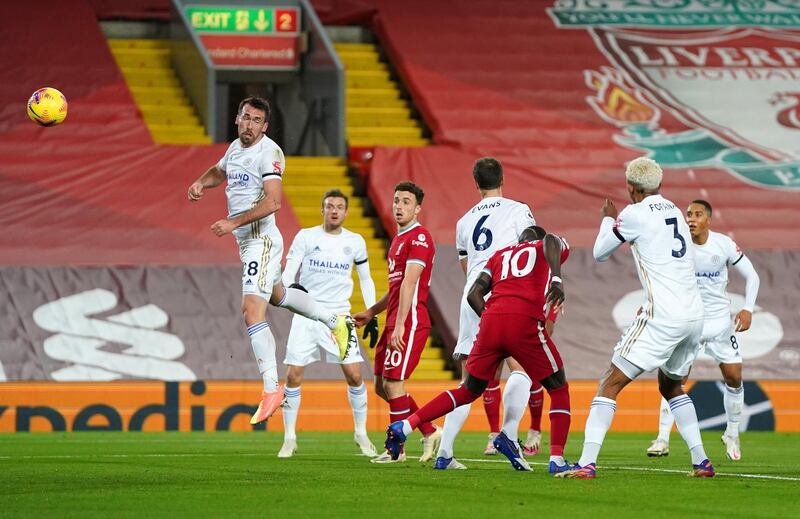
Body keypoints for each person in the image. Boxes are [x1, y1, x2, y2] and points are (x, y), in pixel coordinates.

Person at [187, 96, 354, 426]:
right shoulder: (235, 148)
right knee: (278, 296)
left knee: (251, 311)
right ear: (237, 119)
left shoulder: (270, 152)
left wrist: (233, 222)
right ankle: (334, 319)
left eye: (256, 121)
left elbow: (274, 201)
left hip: (260, 241)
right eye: (245, 118)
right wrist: (200, 183)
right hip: (247, 243)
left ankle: (270, 389)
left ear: (265, 126)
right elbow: (219, 171)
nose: (249, 125)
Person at [558, 157, 714, 479]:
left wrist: (607, 220)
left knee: (609, 383)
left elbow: (600, 253)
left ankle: (587, 463)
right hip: (694, 315)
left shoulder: (633, 213)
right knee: (671, 387)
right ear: (659, 185)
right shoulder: (673, 209)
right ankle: (701, 462)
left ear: (631, 188)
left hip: (664, 315)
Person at [383, 227, 573, 476]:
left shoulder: (499, 255)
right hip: (523, 321)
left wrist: (494, 322)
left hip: (490, 322)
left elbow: (474, 293)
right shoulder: (541, 247)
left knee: (466, 390)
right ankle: (556, 458)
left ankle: (405, 426)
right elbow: (552, 240)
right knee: (558, 388)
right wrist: (557, 279)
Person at [439, 157, 540, 470]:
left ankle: (444, 454)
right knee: (522, 369)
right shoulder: (518, 210)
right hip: (503, 295)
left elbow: (465, 265)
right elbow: (531, 249)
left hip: (471, 296)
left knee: (469, 381)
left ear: (475, 183)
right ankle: (508, 435)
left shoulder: (464, 220)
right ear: (503, 179)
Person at [646, 199, 760, 461]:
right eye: (688, 214)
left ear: (709, 219)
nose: (691, 218)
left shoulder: (724, 244)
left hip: (720, 322)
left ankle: (732, 432)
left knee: (734, 377)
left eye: (698, 214)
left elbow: (753, 275)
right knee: (674, 380)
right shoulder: (677, 246)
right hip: (689, 320)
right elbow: (659, 278)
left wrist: (748, 309)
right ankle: (662, 438)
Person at [277, 189, 378, 458]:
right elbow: (290, 268)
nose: (334, 210)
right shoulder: (306, 236)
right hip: (307, 315)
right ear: (322, 210)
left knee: (355, 375)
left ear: (346, 212)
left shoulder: (355, 242)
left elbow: (366, 279)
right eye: (329, 206)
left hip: (340, 317)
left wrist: (372, 312)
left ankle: (361, 433)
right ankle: (289, 438)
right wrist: (287, 290)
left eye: (339, 207)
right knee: (292, 375)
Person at [353, 181, 442, 463]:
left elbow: (410, 282)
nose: (399, 206)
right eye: (396, 201)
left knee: (394, 384)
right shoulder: (398, 240)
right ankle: (428, 429)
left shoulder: (420, 238)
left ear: (417, 209)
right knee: (383, 386)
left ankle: (396, 450)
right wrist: (372, 312)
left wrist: (401, 324)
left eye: (406, 202)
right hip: (393, 318)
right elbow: (395, 287)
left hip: (410, 320)